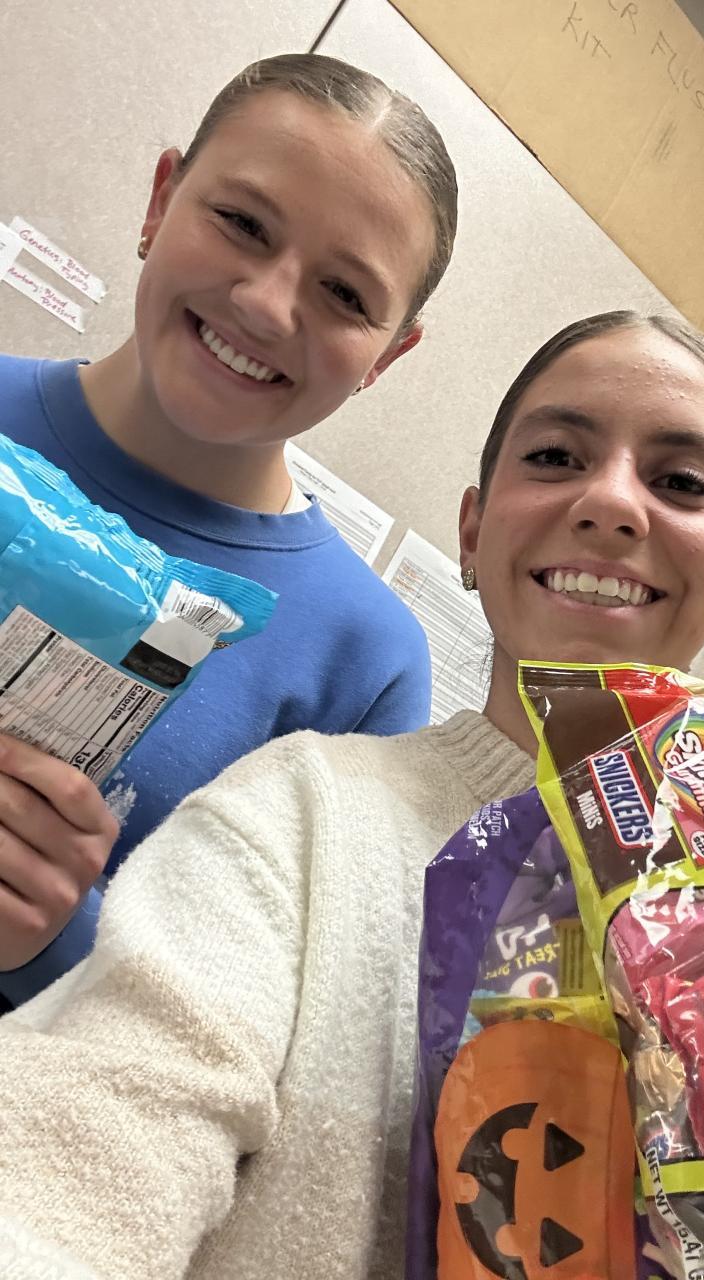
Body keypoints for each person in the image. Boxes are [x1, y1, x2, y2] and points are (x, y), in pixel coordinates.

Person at [0, 311, 704, 1279]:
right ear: (472, 530)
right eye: (556, 456)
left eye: (682, 482)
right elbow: (87, 1138)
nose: (614, 502)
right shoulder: (300, 820)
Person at [0, 53, 459, 1005]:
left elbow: (282, 1039)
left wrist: (56, 943)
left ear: (388, 355)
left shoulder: (366, 665)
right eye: (243, 224)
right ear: (161, 199)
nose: (265, 304)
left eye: (346, 295)